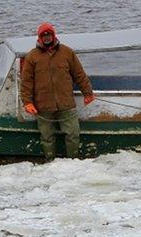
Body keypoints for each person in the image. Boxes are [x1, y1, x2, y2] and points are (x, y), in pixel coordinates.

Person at [20, 22, 95, 159]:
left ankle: (73, 161)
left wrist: (88, 93)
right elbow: (26, 83)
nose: (47, 37)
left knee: (73, 134)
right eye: (44, 35)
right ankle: (50, 163)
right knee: (47, 137)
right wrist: (27, 102)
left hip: (66, 103)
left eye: (49, 34)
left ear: (54, 35)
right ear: (39, 38)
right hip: (43, 105)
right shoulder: (32, 56)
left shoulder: (67, 52)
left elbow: (79, 74)